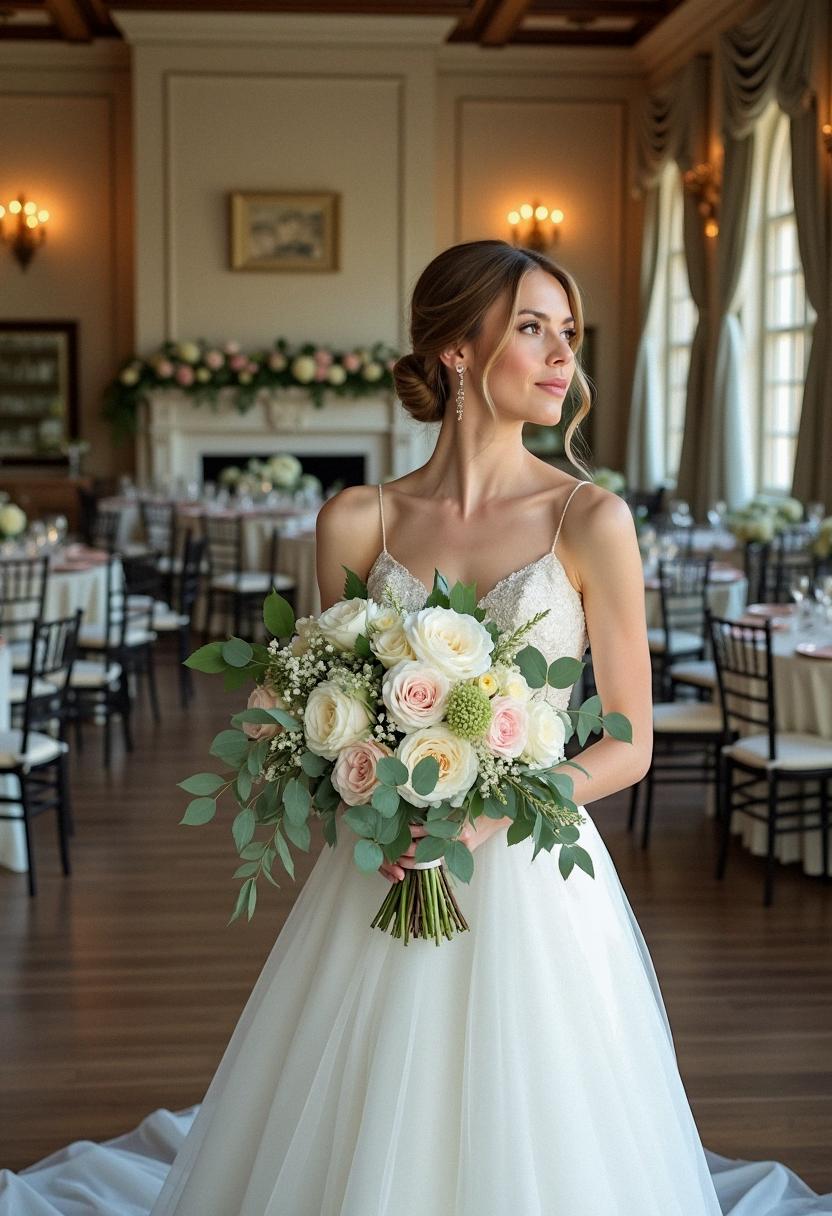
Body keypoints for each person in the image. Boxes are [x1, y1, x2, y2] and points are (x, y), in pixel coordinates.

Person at [2, 241, 830, 1214]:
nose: (563, 355)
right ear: (455, 350)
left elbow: (629, 744)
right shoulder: (360, 518)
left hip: (529, 874)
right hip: (380, 865)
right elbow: (320, 701)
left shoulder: (590, 519)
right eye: (532, 328)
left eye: (567, 332)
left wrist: (480, 818)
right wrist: (363, 792)